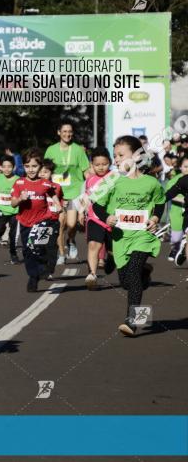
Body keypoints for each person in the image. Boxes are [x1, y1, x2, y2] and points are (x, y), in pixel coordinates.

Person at [91, 136, 165, 336]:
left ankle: (133, 323)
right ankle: (145, 274)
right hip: (120, 238)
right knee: (126, 281)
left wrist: (156, 217)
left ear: (136, 156)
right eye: (115, 156)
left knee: (131, 275)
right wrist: (106, 217)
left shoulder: (151, 182)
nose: (115, 160)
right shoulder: (112, 181)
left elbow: (160, 201)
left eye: (120, 155)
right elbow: (96, 205)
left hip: (142, 237)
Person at [10, 149, 63, 293]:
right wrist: (20, 198)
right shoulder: (19, 183)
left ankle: (44, 267)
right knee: (28, 251)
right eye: (27, 166)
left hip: (42, 220)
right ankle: (34, 277)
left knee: (38, 247)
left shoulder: (45, 184)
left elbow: (53, 193)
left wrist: (58, 204)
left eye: (34, 166)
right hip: (25, 221)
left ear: (40, 166)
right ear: (23, 167)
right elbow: (13, 203)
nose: (31, 169)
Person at [44, 121, 90, 265]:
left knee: (71, 224)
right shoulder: (51, 150)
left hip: (74, 191)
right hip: (56, 193)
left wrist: (92, 185)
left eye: (70, 131)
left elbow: (86, 171)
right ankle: (62, 253)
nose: (67, 134)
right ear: (59, 132)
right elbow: (45, 170)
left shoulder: (78, 150)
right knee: (60, 225)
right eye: (64, 131)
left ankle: (71, 240)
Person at [77, 148, 116, 289]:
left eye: (104, 164)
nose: (101, 167)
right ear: (92, 165)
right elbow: (86, 197)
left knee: (113, 249)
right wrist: (81, 212)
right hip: (94, 218)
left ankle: (111, 258)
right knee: (93, 245)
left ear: (110, 163)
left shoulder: (115, 177)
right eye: (97, 164)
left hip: (112, 219)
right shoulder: (90, 180)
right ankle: (92, 275)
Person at [0, 156, 20, 264]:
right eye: (4, 166)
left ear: (14, 167)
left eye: (9, 166)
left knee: (13, 234)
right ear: (1, 167)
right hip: (1, 209)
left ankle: (13, 254)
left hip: (14, 210)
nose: (7, 169)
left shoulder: (18, 180)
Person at [165, 156, 188, 262]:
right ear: (180, 167)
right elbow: (169, 195)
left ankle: (184, 247)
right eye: (185, 166)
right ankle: (176, 248)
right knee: (175, 238)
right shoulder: (178, 180)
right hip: (178, 211)